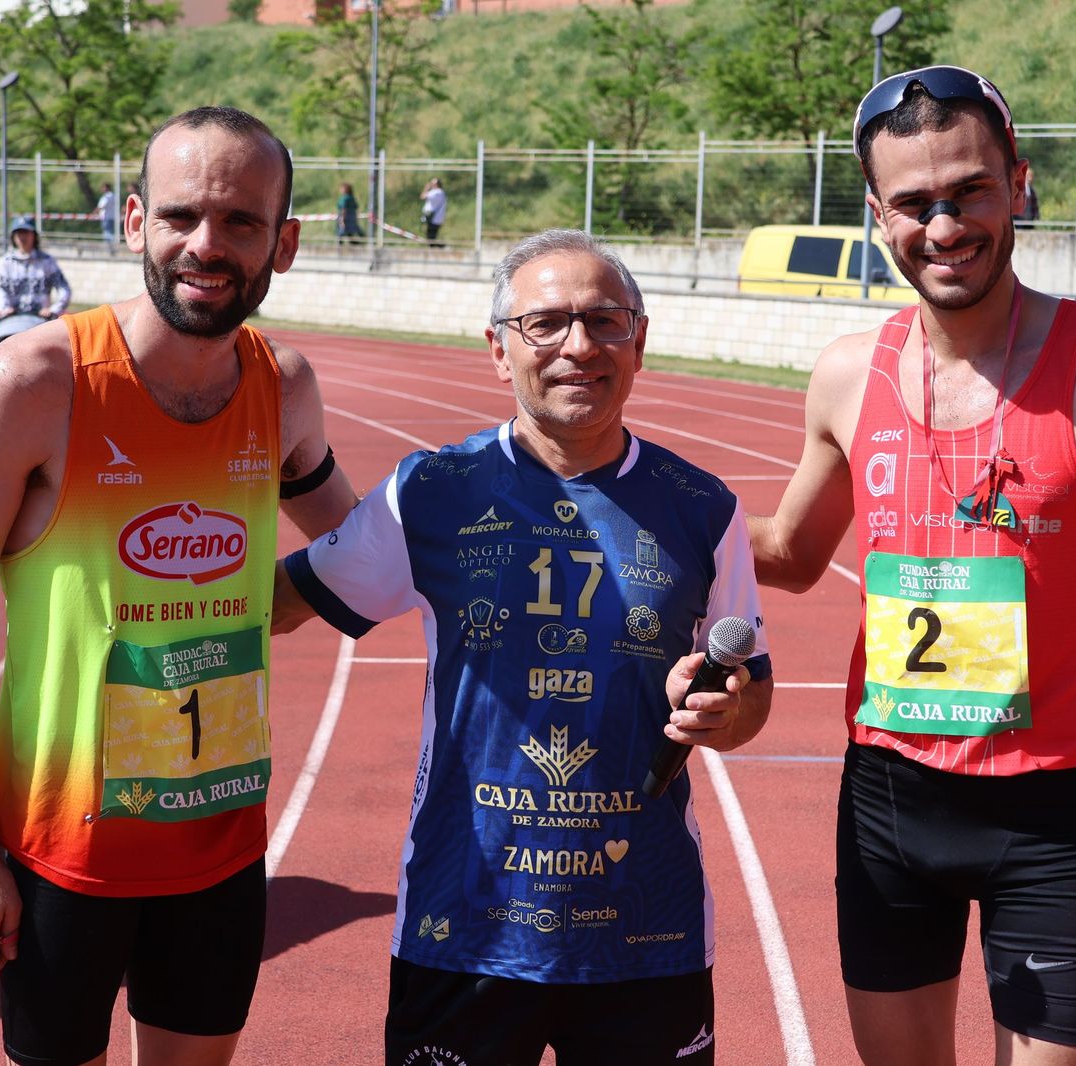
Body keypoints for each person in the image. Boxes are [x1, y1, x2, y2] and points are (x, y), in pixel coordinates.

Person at [747, 66, 1076, 1065]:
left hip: (1050, 816)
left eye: (967, 191)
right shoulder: (846, 372)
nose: (944, 225)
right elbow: (787, 555)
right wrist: (635, 507)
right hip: (885, 801)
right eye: (914, 204)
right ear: (878, 216)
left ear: (1017, 181)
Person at [0, 106, 358, 1066]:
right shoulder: (36, 382)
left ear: (286, 241)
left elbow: (364, 549)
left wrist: (262, 606)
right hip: (57, 852)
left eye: (241, 222)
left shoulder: (287, 387)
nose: (207, 245)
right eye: (183, 215)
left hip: (220, 848)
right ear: (134, 221)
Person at [273, 228, 774, 1066]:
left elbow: (751, 689)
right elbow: (277, 607)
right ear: (499, 351)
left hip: (644, 925)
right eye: (545, 324)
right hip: (462, 923)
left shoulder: (703, 507)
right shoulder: (427, 495)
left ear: (639, 341)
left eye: (605, 321)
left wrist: (728, 714)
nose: (579, 345)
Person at [0, 215, 71, 321]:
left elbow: (64, 289)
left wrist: (53, 309)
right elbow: (2, 290)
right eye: (19, 233)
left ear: (34, 235)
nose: (22, 237)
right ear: (13, 237)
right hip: (13, 319)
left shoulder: (47, 261)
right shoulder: (7, 262)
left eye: (26, 233)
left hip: (40, 319)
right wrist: (5, 308)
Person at [419, 177, 447, 246]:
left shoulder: (438, 192)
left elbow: (423, 196)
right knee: (430, 236)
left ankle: (443, 247)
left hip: (435, 218)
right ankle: (440, 248)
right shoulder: (435, 192)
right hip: (432, 217)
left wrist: (426, 188)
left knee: (431, 237)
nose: (431, 185)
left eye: (432, 183)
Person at [1012, 161, 1040, 228]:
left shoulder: (1032, 190)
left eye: (1031, 176)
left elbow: (1034, 204)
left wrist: (1036, 215)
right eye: (1028, 175)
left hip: (1029, 219)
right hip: (1020, 219)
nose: (1030, 178)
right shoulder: (1017, 188)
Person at [95, 182, 118, 248]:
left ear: (106, 188)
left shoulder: (107, 197)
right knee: (109, 232)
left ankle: (110, 248)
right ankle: (111, 247)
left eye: (103, 187)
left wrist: (93, 213)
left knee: (108, 234)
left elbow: (101, 207)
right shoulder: (113, 195)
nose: (102, 189)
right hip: (111, 217)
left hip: (106, 217)